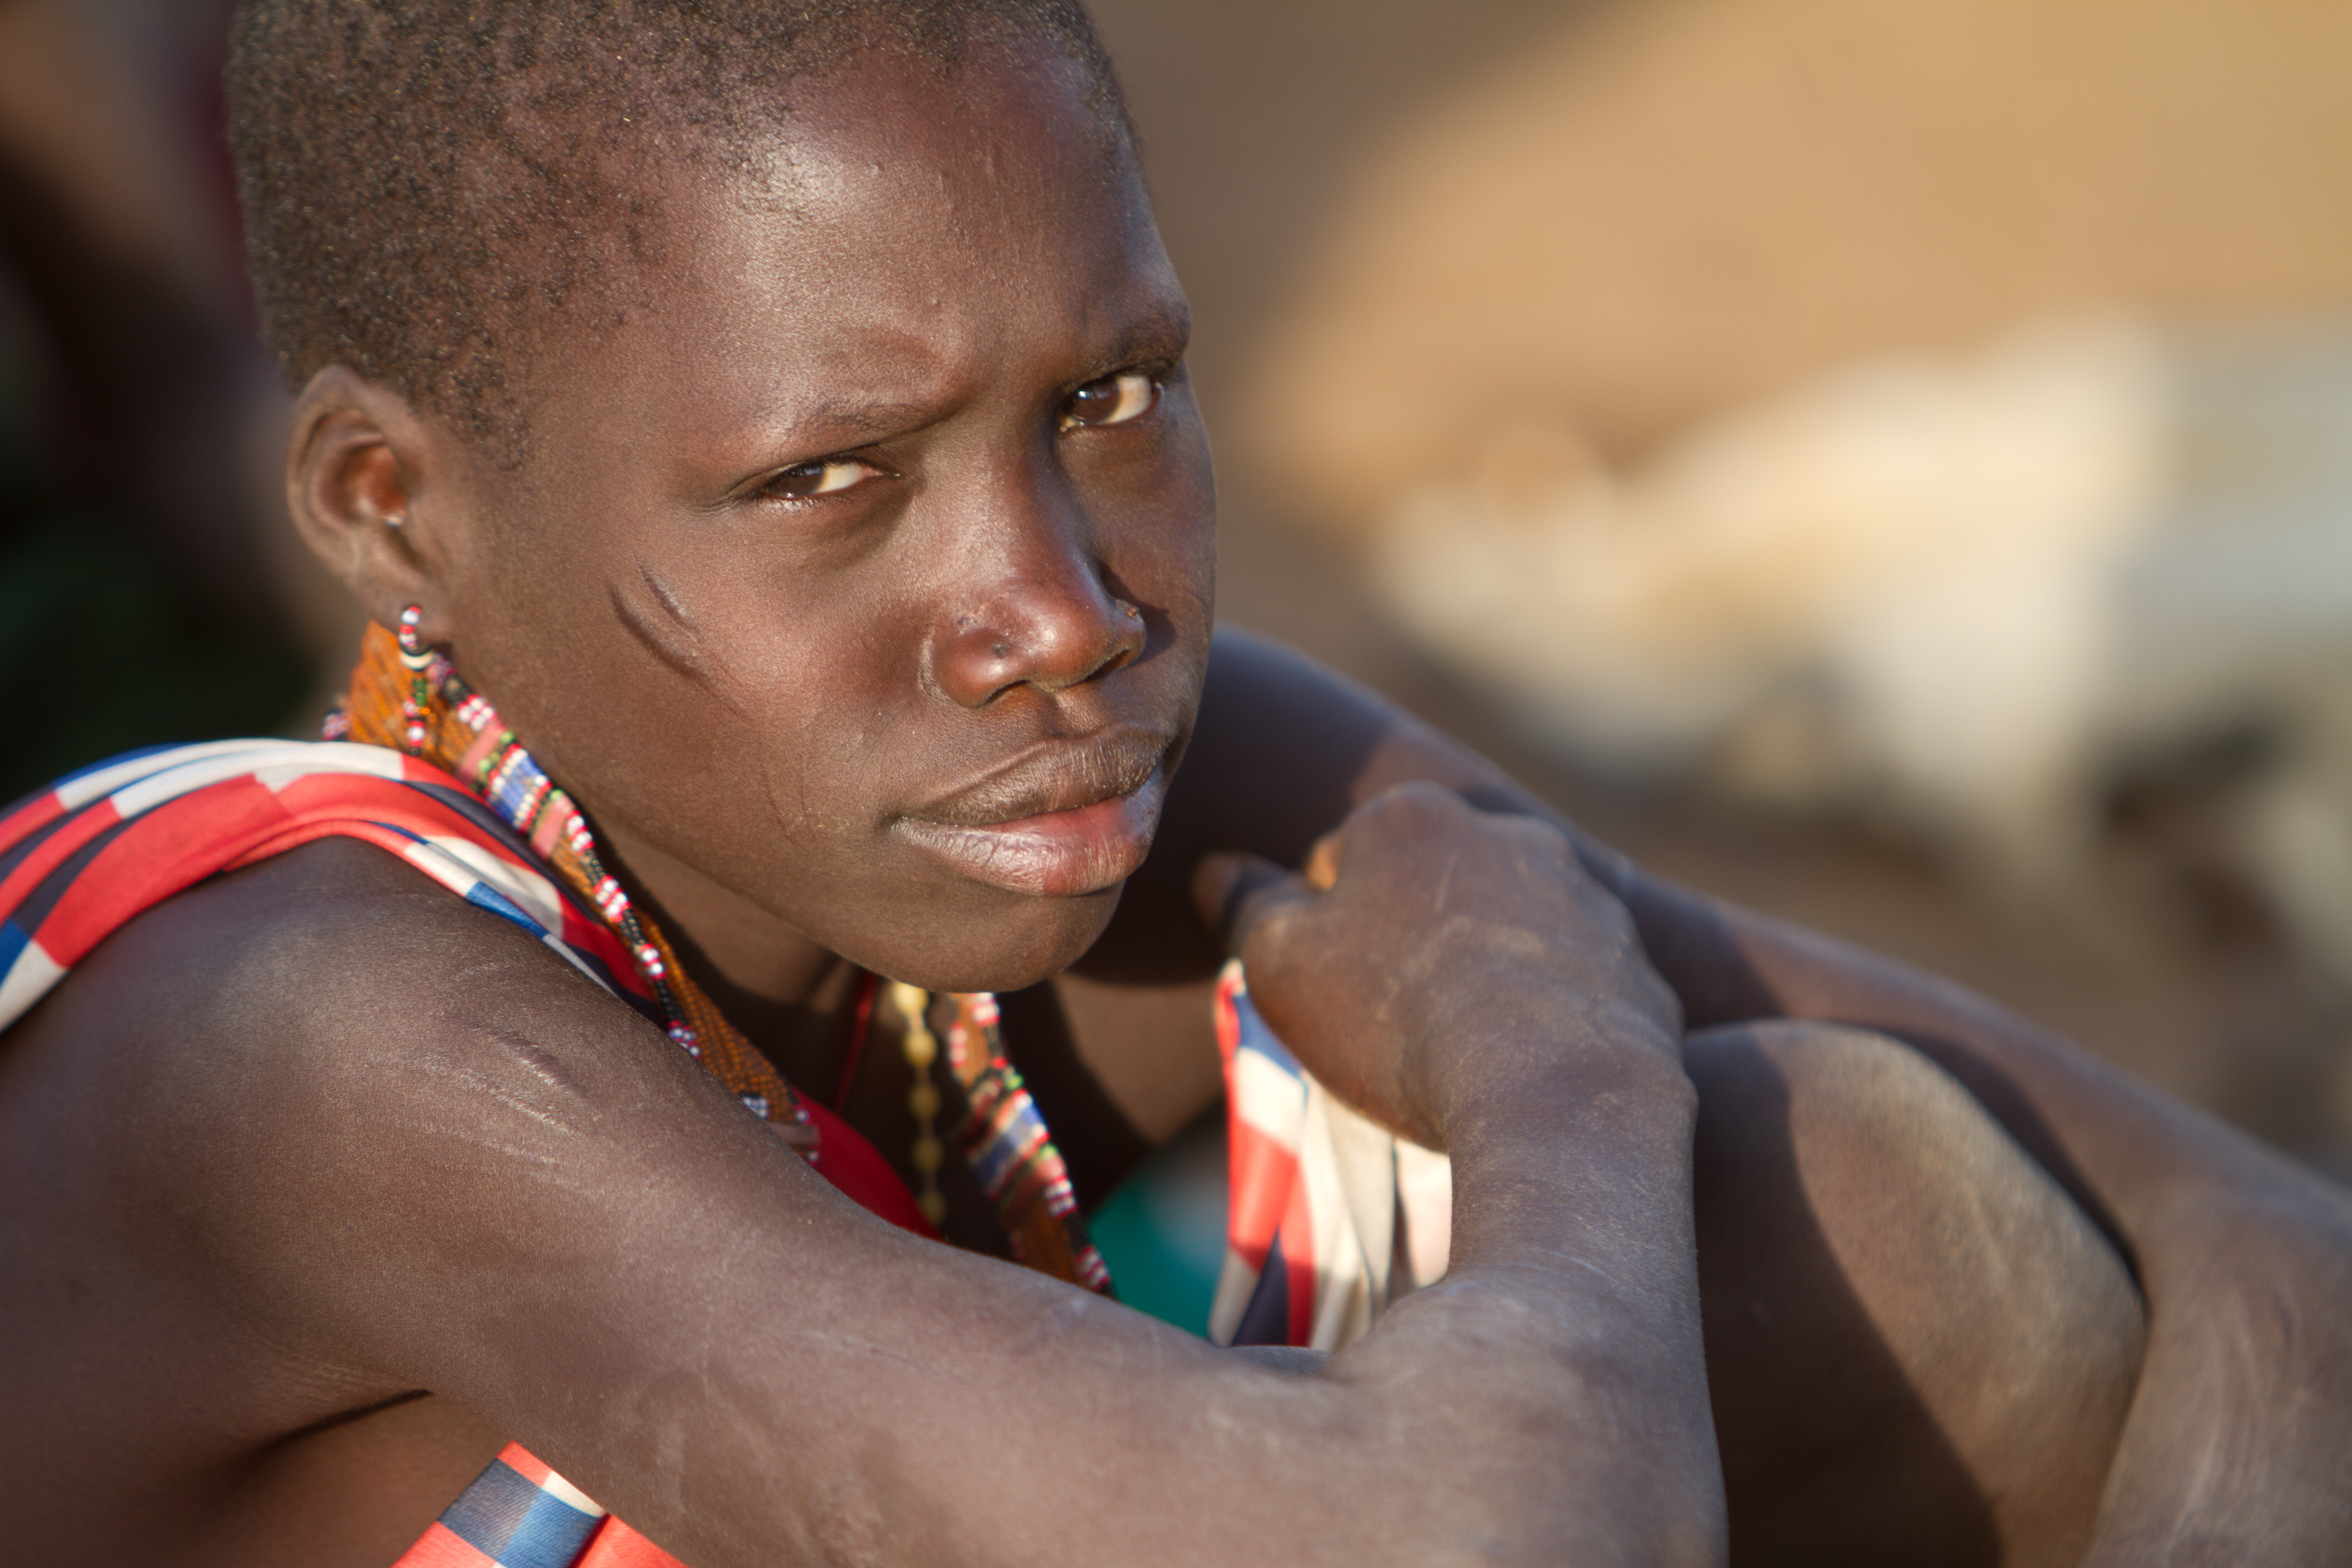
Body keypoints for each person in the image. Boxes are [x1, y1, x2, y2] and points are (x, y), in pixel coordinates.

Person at [1, 3, 2346, 1565]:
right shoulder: (305, 1036)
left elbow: (2268, 1236)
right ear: (392, 509)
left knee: (1883, 1210)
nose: (1061, 608)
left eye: (1111, 399)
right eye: (832, 474)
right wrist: (1549, 1055)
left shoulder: (1095, 772)